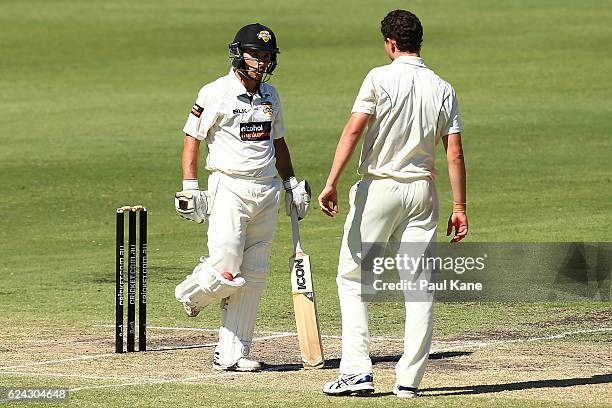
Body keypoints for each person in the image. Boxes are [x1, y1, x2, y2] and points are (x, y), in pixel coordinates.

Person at [318, 10, 468, 398]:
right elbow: (454, 153)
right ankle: (409, 381)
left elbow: (354, 129)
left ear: (390, 43)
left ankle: (356, 371)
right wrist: (461, 207)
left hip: (380, 188)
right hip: (424, 192)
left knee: (353, 279)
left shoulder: (379, 77)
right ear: (419, 41)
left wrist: (331, 181)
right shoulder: (443, 87)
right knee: (419, 286)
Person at [173, 23, 311, 372]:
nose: (261, 62)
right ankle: (191, 294)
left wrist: (291, 182)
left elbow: (277, 142)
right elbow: (192, 137)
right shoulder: (215, 92)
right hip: (229, 187)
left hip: (266, 189)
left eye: (267, 57)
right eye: (256, 55)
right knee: (226, 270)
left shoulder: (272, 95)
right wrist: (191, 186)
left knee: (256, 273)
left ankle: (232, 353)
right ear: (238, 54)